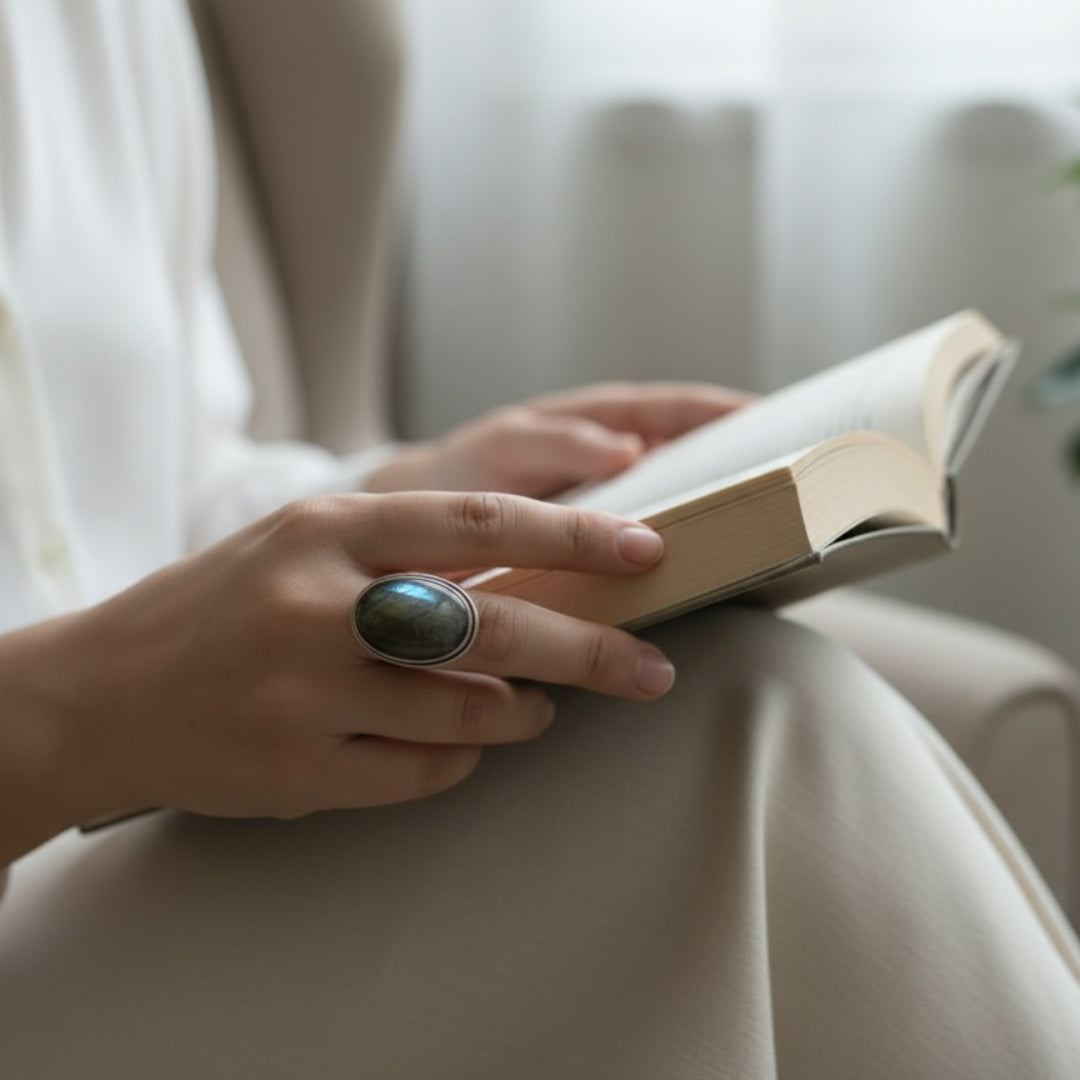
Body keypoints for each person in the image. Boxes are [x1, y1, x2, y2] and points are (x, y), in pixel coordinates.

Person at [0, 3, 1077, 1077]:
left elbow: (161, 474)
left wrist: (399, 496)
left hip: (153, 837)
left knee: (702, 723)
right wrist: (76, 719)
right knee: (739, 727)